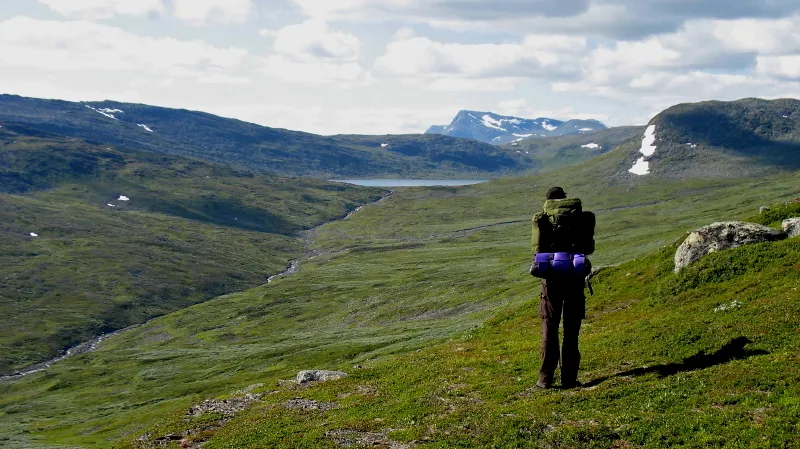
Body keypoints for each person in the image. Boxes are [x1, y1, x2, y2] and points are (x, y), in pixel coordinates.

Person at [530, 186, 594, 389]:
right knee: (571, 330)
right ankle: (569, 379)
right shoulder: (583, 217)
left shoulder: (542, 218)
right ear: (565, 199)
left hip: (551, 279)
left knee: (550, 327)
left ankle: (545, 379)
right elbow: (589, 248)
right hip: (574, 277)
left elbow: (537, 249)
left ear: (548, 200)